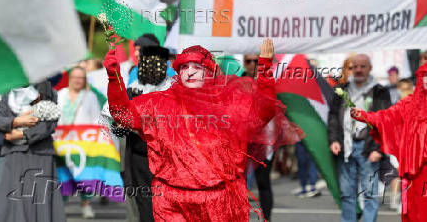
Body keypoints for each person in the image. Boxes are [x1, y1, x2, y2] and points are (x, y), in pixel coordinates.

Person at [104, 39, 304, 221]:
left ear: (209, 71)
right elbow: (124, 115)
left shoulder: (229, 104)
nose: (190, 71)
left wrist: (265, 68)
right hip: (173, 201)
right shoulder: (157, 103)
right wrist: (114, 77)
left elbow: (264, 111)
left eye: (196, 67)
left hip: (219, 201)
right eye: (184, 67)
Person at [350, 60, 427, 222]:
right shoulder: (409, 104)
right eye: (425, 75)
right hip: (417, 170)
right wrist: (365, 116)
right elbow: (385, 117)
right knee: (419, 206)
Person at [101, 45, 172, 222]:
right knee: (145, 203)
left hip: (167, 157)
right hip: (141, 157)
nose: (153, 67)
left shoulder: (172, 89)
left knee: (167, 201)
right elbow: (115, 122)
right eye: (149, 62)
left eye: (158, 62)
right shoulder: (133, 89)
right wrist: (122, 125)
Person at [328, 54, 391, 222]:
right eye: (354, 67)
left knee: (370, 194)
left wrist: (379, 149)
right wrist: (334, 140)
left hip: (369, 148)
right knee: (347, 193)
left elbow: (386, 121)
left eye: (362, 66)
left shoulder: (380, 91)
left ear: (370, 68)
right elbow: (333, 117)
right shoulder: (342, 90)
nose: (358, 70)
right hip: (346, 147)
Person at [0, 81, 66, 222]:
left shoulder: (46, 90)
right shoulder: (8, 91)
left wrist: (23, 135)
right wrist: (16, 121)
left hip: (40, 153)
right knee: (12, 201)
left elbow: (49, 123)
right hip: (13, 153)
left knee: (39, 200)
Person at [56, 66, 101, 219]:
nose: (77, 80)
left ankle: (86, 204)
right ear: (70, 78)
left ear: (84, 80)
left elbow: (96, 120)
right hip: (62, 142)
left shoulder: (90, 96)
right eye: (75, 77)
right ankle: (60, 205)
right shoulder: (61, 94)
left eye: (81, 77)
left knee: (84, 175)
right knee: (63, 175)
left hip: (83, 142)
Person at [242, 54, 275, 220]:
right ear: (244, 63)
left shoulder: (268, 82)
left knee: (263, 182)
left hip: (264, 140)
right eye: (249, 61)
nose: (253, 64)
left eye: (256, 61)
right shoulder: (236, 82)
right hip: (241, 140)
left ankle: (267, 218)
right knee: (237, 183)